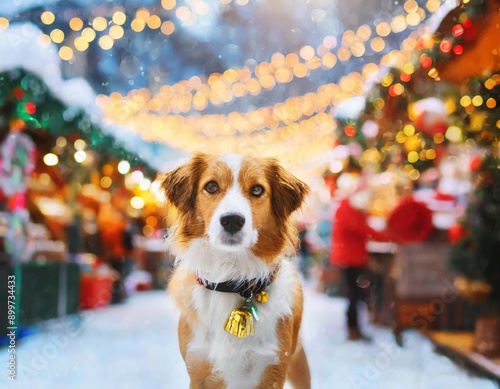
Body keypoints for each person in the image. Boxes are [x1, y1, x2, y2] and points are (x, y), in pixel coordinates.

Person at [329, 187, 388, 341]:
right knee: (354, 295)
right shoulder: (348, 211)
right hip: (350, 260)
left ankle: (355, 328)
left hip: (351, 258)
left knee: (355, 294)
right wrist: (386, 237)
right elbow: (362, 230)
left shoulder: (348, 209)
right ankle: (353, 329)